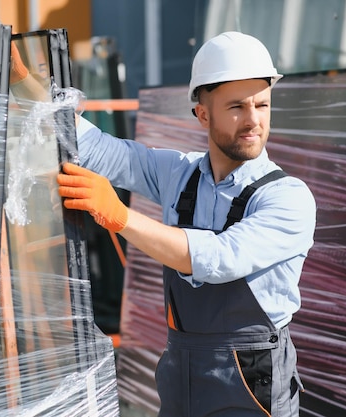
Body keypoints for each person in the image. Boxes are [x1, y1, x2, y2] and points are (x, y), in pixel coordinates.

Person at [55, 31, 316, 417]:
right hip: (182, 369)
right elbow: (100, 151)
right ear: (203, 113)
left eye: (262, 105)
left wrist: (121, 216)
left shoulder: (287, 198)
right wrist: (29, 84)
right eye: (237, 107)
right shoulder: (179, 174)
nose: (253, 120)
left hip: (249, 380)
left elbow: (218, 258)